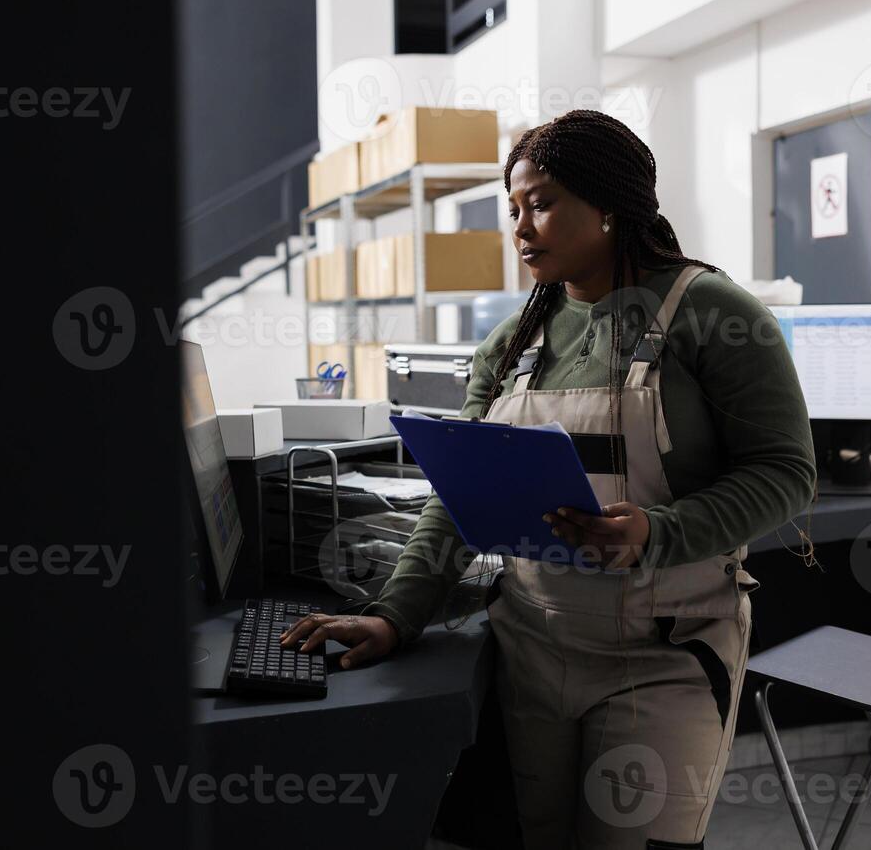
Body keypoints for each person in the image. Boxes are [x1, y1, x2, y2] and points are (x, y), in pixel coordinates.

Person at [282, 109, 817, 849]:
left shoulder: (714, 315)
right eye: (513, 209)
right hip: (533, 649)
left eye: (541, 203)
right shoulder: (511, 344)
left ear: (609, 205)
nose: (521, 228)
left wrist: (657, 533)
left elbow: (786, 473)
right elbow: (459, 500)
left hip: (666, 652)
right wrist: (394, 614)